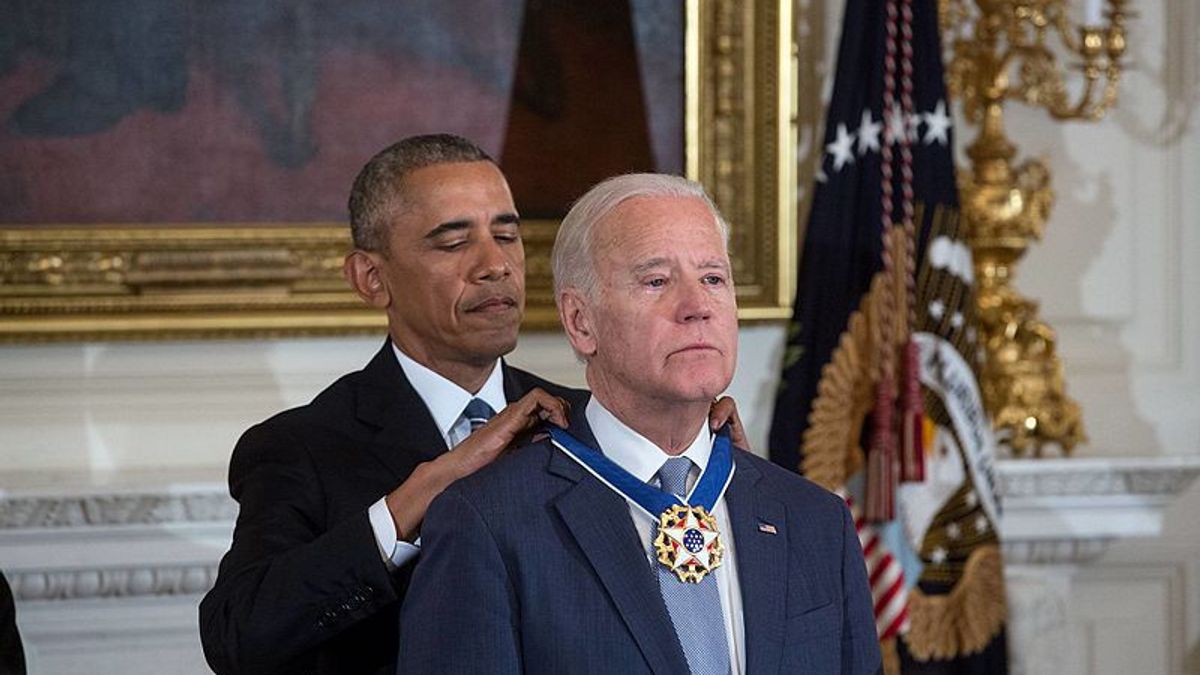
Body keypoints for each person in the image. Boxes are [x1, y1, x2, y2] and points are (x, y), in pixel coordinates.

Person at [199, 135, 746, 675]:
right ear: (371, 278)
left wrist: (717, 481)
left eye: (506, 235)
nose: (495, 265)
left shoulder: (587, 421)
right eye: (453, 243)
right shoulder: (304, 446)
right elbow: (237, 638)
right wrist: (411, 504)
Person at [397, 173, 882, 674]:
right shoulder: (488, 523)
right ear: (581, 322)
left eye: (713, 278)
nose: (698, 308)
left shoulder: (816, 520)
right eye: (656, 281)